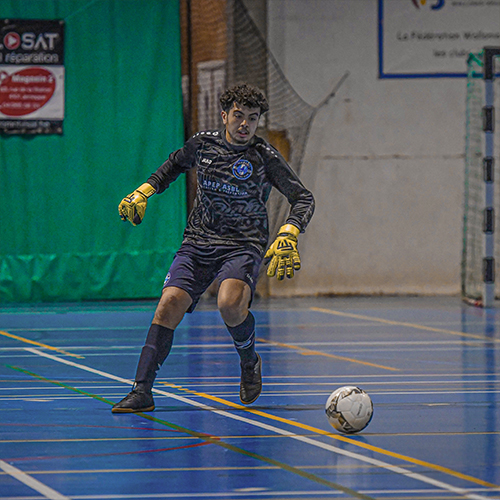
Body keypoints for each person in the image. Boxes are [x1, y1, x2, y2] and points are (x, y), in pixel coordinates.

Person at [112, 83, 314, 413]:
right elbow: (174, 165)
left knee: (229, 304)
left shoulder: (263, 157)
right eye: (238, 115)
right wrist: (144, 191)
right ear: (224, 115)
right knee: (168, 304)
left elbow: (303, 197)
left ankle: (249, 361)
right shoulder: (203, 145)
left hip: (243, 244)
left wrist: (290, 232)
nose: (245, 124)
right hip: (198, 241)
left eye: (253, 118)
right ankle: (142, 391)